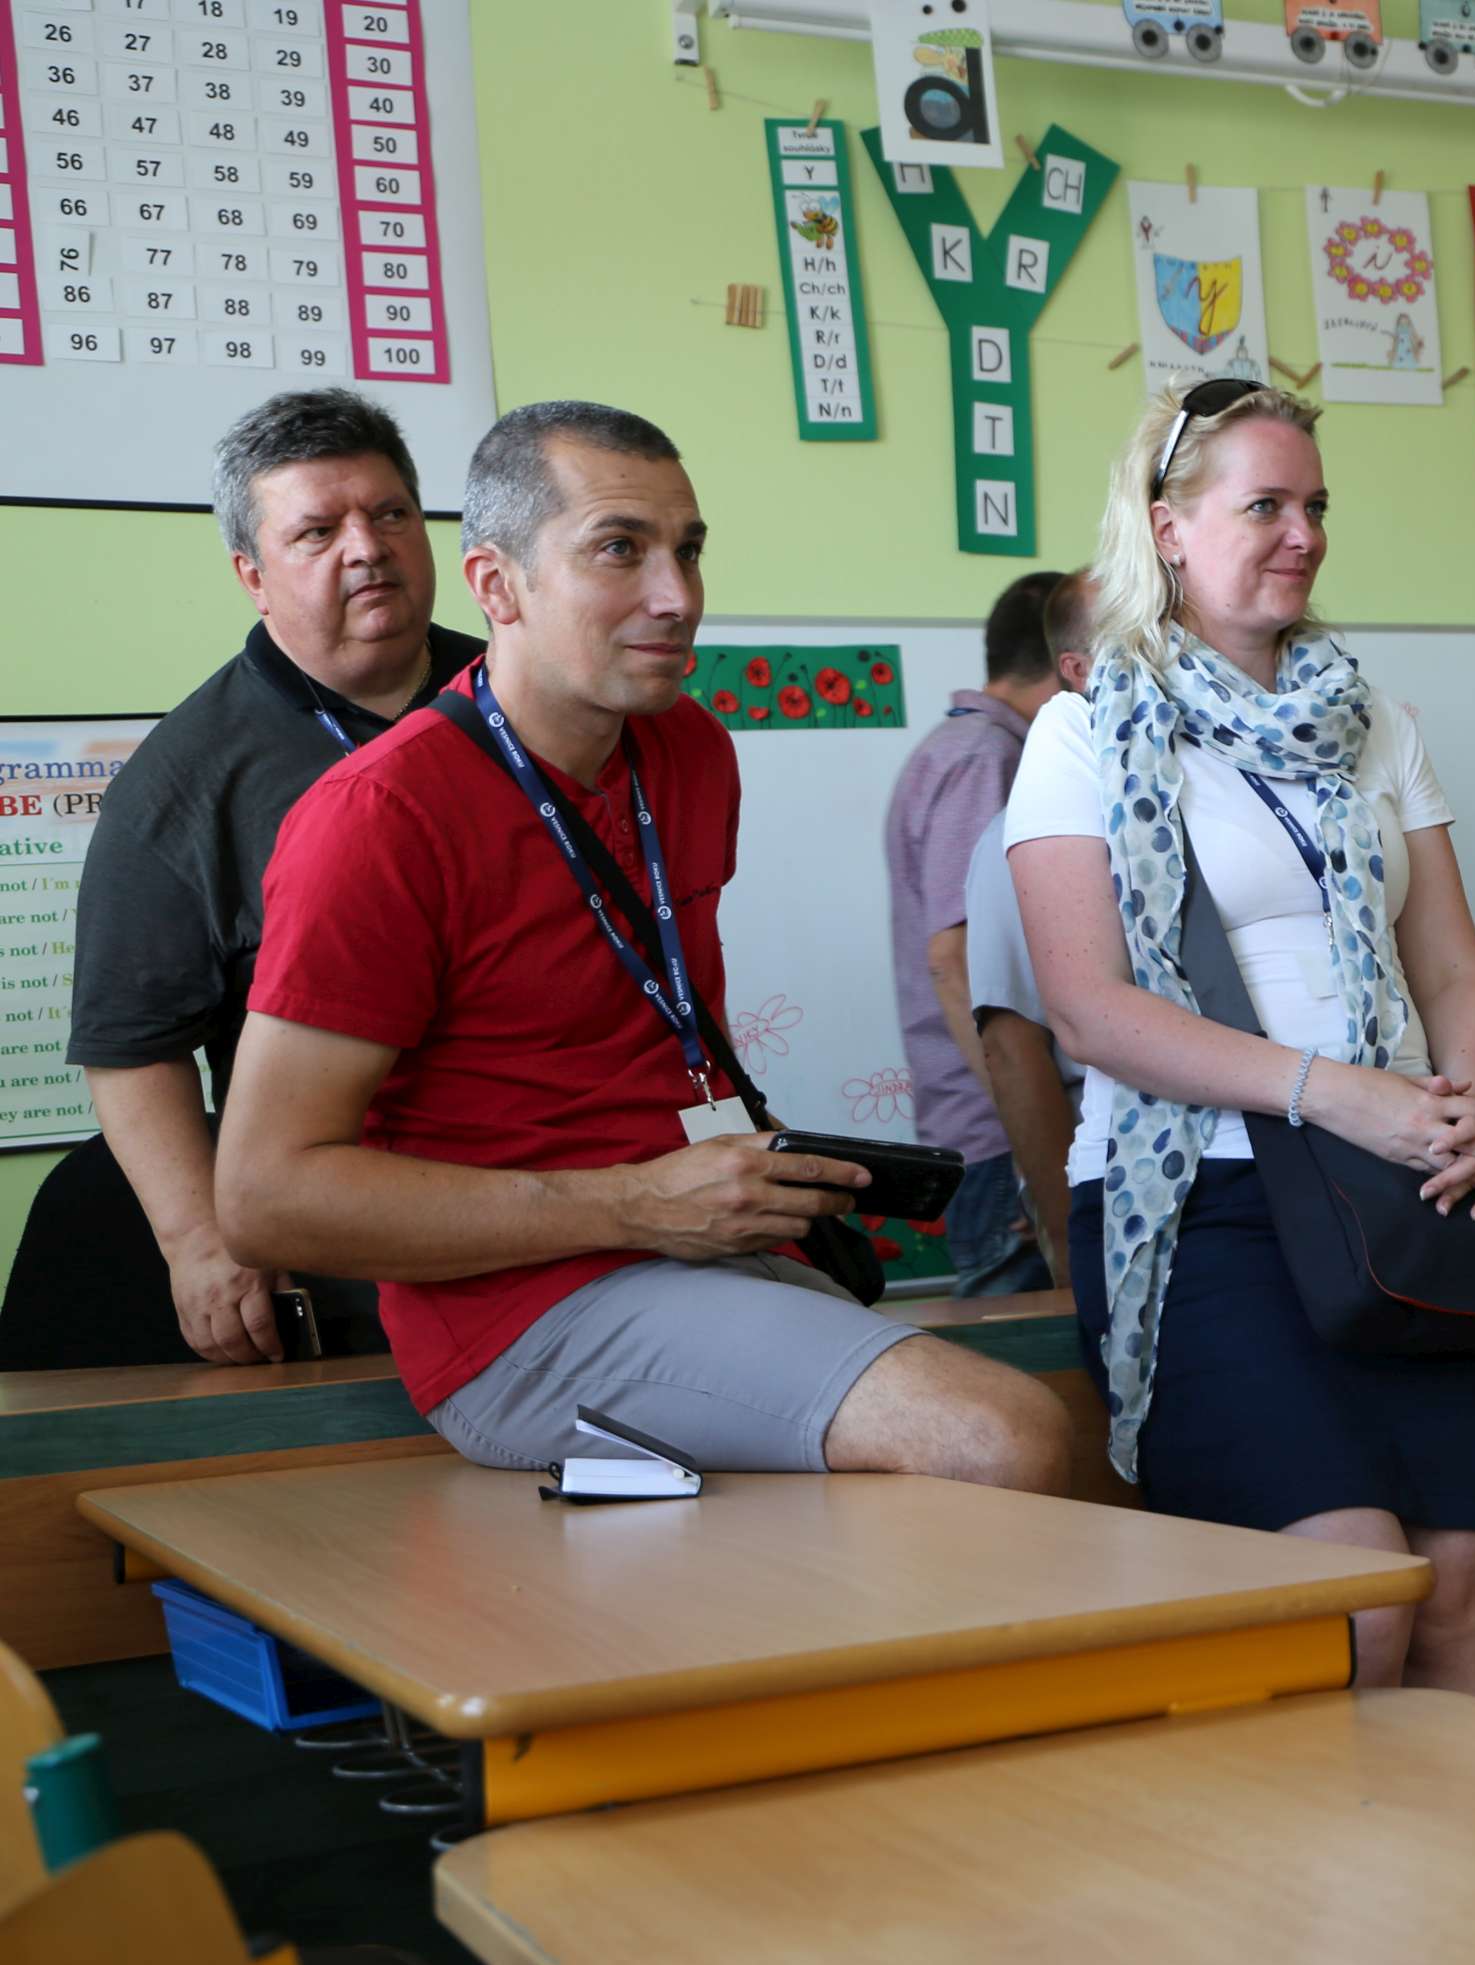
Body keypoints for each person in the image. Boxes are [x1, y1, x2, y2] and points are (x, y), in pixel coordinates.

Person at [215, 400, 1071, 1491]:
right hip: (519, 1316)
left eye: (689, 550)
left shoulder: (691, 748)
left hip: (710, 1247)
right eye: (619, 549)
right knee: (1004, 1435)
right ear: (496, 586)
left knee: (1040, 1418)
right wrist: (634, 1201)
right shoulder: (379, 815)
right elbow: (264, 1196)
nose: (677, 597)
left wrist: (716, 1182)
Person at [1009, 378, 1475, 1698]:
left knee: (1459, 1601)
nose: (1304, 534)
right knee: (1357, 1603)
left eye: (1317, 506)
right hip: (1208, 1206)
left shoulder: (1378, 724)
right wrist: (1341, 1094)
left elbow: (1455, 972)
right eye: (1266, 506)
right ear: (1168, 528)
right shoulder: (1084, 729)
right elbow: (1090, 1008)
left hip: (1403, 1195)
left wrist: (1463, 1108)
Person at [65, 390, 486, 1368]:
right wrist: (198, 1240)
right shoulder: (181, 786)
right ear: (252, 575)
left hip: (565, 1196)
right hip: (359, 1252)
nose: (367, 548)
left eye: (390, 513)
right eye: (317, 531)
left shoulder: (524, 703)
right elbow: (131, 1048)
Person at [879, 569, 1068, 1297]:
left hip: (998, 1132)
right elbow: (954, 959)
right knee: (1033, 1346)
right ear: (1067, 667)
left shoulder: (961, 746)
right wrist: (1033, 1141)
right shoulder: (986, 758)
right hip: (1004, 1138)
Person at [959, 570, 1095, 1284]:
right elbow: (1007, 1034)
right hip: (1024, 1142)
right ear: (1073, 671)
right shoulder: (998, 769)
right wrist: (1067, 1230)